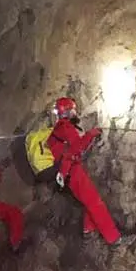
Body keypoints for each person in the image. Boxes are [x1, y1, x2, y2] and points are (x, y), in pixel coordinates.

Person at [46, 97, 121, 245]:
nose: (75, 112)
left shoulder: (57, 130)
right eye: (73, 109)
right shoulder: (65, 127)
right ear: (67, 112)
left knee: (90, 200)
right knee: (96, 203)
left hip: (66, 173)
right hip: (72, 172)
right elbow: (77, 147)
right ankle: (114, 239)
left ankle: (88, 230)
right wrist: (91, 134)